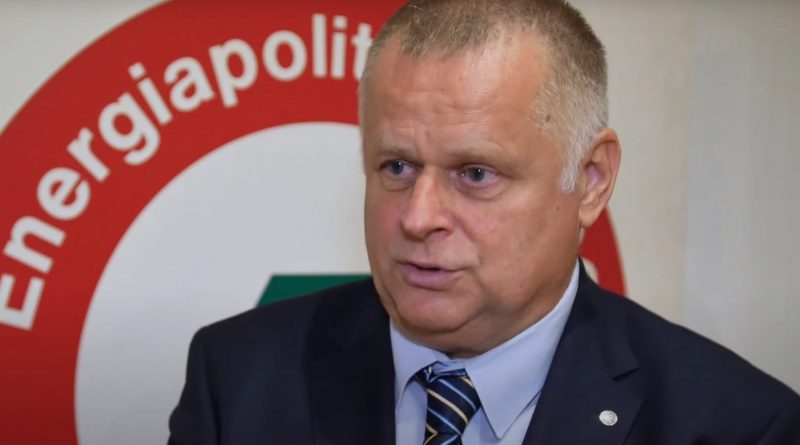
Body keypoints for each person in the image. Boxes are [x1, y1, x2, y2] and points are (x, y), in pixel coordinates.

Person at [168, 0, 800, 444]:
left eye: (475, 173)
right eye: (396, 166)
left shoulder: (737, 426)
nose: (418, 218)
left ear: (591, 180)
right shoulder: (236, 381)